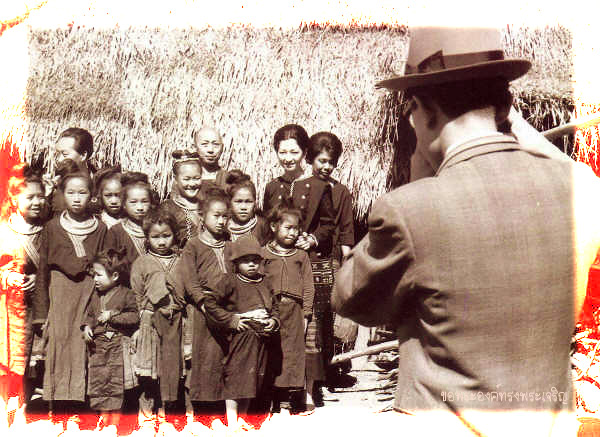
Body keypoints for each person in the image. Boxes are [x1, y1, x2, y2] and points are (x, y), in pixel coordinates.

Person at [332, 27, 600, 436]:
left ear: (424, 110)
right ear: (506, 105)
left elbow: (351, 299)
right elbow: (578, 174)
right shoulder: (582, 191)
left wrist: (416, 180)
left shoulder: (408, 209)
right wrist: (510, 122)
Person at [263, 124, 335, 404]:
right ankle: (277, 387)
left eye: (294, 152)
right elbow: (266, 227)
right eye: (282, 152)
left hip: (307, 263)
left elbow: (328, 225)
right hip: (278, 266)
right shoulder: (272, 187)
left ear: (305, 152)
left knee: (309, 328)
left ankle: (308, 390)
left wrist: (312, 240)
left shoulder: (318, 186)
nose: (288, 158)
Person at [33, 161, 108, 421]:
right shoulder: (52, 228)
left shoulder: (100, 228)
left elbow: (105, 267)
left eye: (83, 192)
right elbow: (43, 271)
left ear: (92, 195)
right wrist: (41, 313)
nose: (77, 198)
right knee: (58, 345)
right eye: (71, 193)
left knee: (85, 348)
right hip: (60, 298)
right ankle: (58, 411)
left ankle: (82, 412)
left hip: (88, 296)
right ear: (62, 195)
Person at [166, 188, 230, 424]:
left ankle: (219, 412)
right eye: (216, 216)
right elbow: (190, 279)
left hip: (225, 311)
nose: (221, 221)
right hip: (201, 312)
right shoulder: (193, 246)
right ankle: (198, 414)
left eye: (225, 216)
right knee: (201, 362)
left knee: (222, 361)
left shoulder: (230, 245)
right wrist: (203, 302)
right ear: (202, 216)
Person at [203, 235, 279, 428]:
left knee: (252, 380)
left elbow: (275, 307)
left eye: (255, 260)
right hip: (242, 338)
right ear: (236, 263)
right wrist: (233, 319)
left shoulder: (265, 282)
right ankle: (232, 422)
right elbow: (210, 303)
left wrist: (273, 320)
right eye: (246, 261)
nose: (251, 265)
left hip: (262, 340)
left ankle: (242, 420)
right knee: (237, 377)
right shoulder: (230, 281)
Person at [130, 207, 183, 428]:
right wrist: (143, 317)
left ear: (174, 235)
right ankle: (147, 417)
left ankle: (169, 416)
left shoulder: (181, 261)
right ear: (147, 238)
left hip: (176, 322)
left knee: (173, 369)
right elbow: (137, 293)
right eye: (155, 237)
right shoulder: (142, 263)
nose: (161, 242)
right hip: (150, 323)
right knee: (150, 371)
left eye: (166, 236)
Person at [262, 201, 315, 414]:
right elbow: (258, 282)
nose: (293, 233)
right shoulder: (263, 254)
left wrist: (306, 314)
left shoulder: (301, 256)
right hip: (272, 311)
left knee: (291, 354)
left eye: (296, 229)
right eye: (288, 227)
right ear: (274, 226)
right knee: (271, 353)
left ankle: (285, 400)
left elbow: (309, 286)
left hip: (294, 311)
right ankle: (268, 399)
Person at [0, 164, 46, 409]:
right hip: (7, 307)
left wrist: (38, 279)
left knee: (30, 356)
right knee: (7, 352)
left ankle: (22, 404)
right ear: (14, 199)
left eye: (41, 196)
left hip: (36, 308)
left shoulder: (48, 231)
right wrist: (7, 277)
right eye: (30, 197)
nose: (37, 202)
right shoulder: (3, 231)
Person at [82, 248, 138, 430]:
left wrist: (113, 315)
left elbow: (134, 316)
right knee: (99, 383)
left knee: (115, 384)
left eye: (99, 275)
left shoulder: (127, 294)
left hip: (117, 347)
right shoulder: (95, 296)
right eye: (94, 275)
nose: (95, 279)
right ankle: (102, 423)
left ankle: (113, 425)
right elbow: (90, 315)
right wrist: (87, 327)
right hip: (98, 349)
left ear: (114, 276)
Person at [43, 127, 95, 217]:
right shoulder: (54, 187)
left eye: (65, 154)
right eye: (57, 154)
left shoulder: (101, 184)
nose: (59, 159)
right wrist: (46, 196)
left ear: (83, 155)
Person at [161, 151, 203, 248]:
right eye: (186, 179)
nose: (192, 184)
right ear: (176, 179)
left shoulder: (207, 206)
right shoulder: (167, 209)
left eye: (196, 178)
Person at [225, 170, 269, 246]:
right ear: (230, 202)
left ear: (255, 202)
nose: (243, 207)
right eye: (238, 201)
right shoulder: (224, 225)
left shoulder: (262, 225)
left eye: (248, 202)